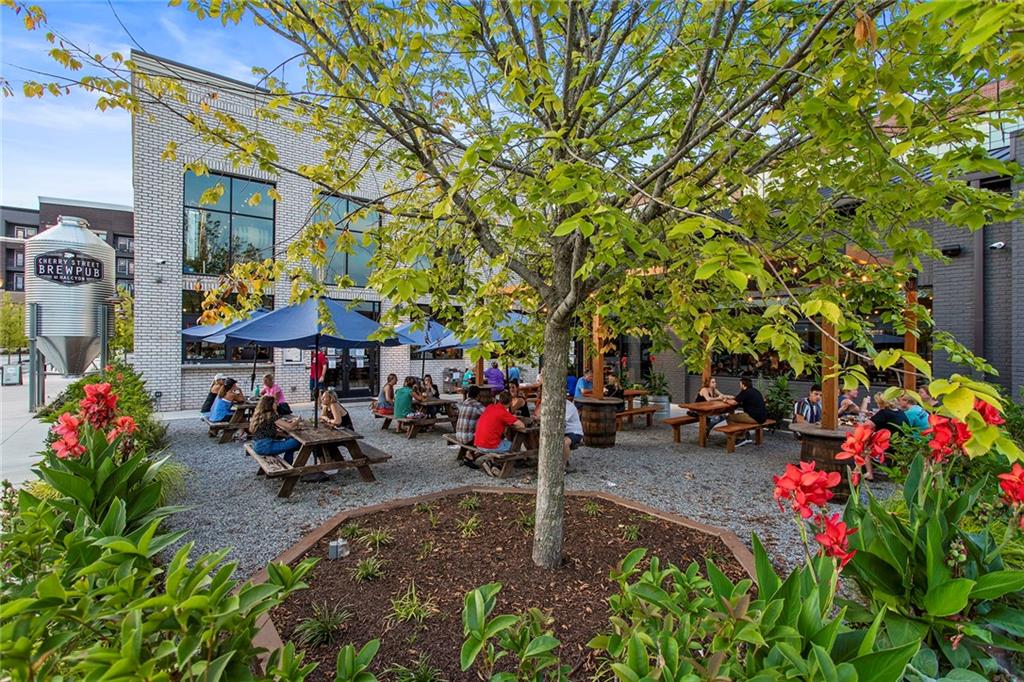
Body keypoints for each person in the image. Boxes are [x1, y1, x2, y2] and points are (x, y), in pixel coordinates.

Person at [249, 395, 300, 464]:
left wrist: (287, 436)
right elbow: (289, 426)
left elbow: (271, 431)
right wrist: (298, 420)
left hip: (256, 444)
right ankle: (288, 464)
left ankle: (288, 463)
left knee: (290, 441)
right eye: (275, 403)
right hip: (265, 446)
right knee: (296, 443)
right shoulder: (271, 415)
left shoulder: (260, 414)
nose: (277, 405)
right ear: (270, 405)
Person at [723, 376, 767, 447]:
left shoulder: (745, 392)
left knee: (729, 417)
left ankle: (740, 438)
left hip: (754, 418)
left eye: (740, 384)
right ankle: (745, 434)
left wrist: (725, 400)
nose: (739, 386)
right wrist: (731, 397)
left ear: (743, 385)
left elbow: (734, 402)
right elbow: (738, 398)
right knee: (739, 416)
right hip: (762, 417)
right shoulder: (755, 391)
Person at [563, 397, 584, 472]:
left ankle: (563, 466)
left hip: (574, 432)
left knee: (564, 442)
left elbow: (562, 422)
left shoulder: (569, 406)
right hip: (563, 432)